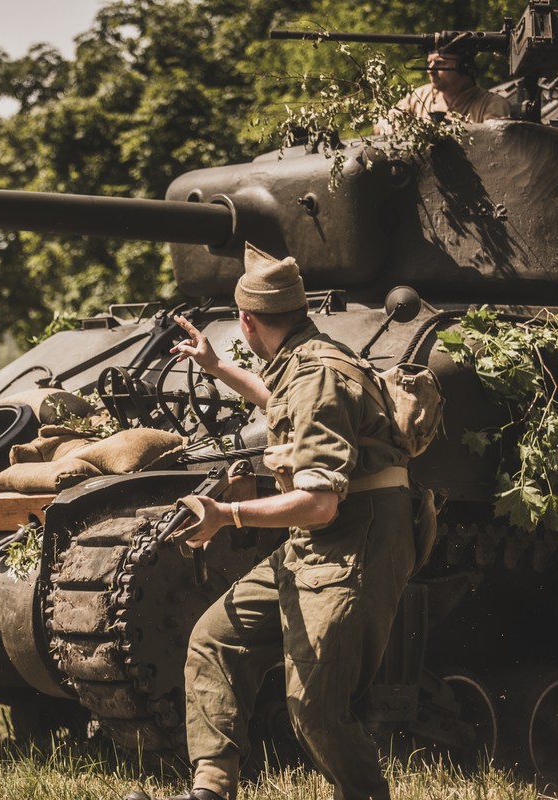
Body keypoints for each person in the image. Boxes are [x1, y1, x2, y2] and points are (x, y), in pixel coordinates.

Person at [125, 243, 416, 800]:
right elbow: (280, 405)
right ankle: (212, 789)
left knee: (317, 711)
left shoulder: (316, 376)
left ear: (247, 319)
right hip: (321, 537)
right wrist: (218, 367)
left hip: (354, 539)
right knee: (215, 640)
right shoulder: (306, 357)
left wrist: (226, 514)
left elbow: (319, 502)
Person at [375, 49, 511, 133]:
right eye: (429, 63)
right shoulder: (419, 96)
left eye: (440, 63)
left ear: (464, 67)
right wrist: (389, 125)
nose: (430, 70)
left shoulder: (492, 105)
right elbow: (383, 122)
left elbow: (495, 149)